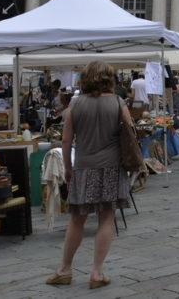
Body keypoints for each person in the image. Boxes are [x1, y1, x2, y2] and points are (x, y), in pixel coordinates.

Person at [48, 61, 131, 289]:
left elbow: (66, 140)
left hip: (83, 167)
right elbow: (131, 132)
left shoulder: (75, 104)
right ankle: (97, 272)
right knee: (106, 218)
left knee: (77, 220)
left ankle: (64, 269)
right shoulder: (117, 102)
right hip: (112, 166)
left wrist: (67, 168)